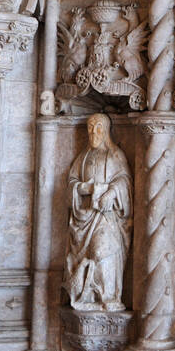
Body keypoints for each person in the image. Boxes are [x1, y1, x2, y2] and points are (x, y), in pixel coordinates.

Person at [64, 114, 133, 312]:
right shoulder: (83, 157)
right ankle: (88, 296)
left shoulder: (115, 155)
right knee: (89, 255)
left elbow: (125, 181)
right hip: (84, 218)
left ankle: (108, 295)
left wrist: (111, 192)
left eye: (98, 127)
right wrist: (82, 188)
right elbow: (71, 183)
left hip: (107, 218)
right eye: (90, 128)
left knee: (102, 252)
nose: (93, 132)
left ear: (107, 130)